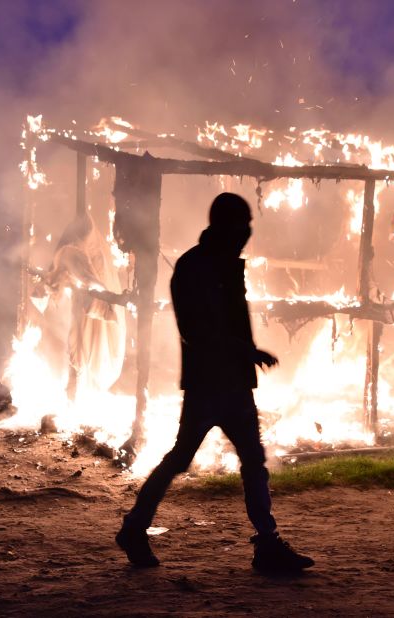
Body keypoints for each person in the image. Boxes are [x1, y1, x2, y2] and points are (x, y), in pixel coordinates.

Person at [115, 192, 314, 573]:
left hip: (232, 382)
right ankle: (135, 527)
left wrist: (244, 355)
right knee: (184, 458)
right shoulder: (196, 267)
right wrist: (246, 351)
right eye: (243, 224)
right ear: (226, 226)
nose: (248, 232)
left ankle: (267, 543)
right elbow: (196, 329)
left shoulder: (220, 263)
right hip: (209, 383)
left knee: (251, 460)